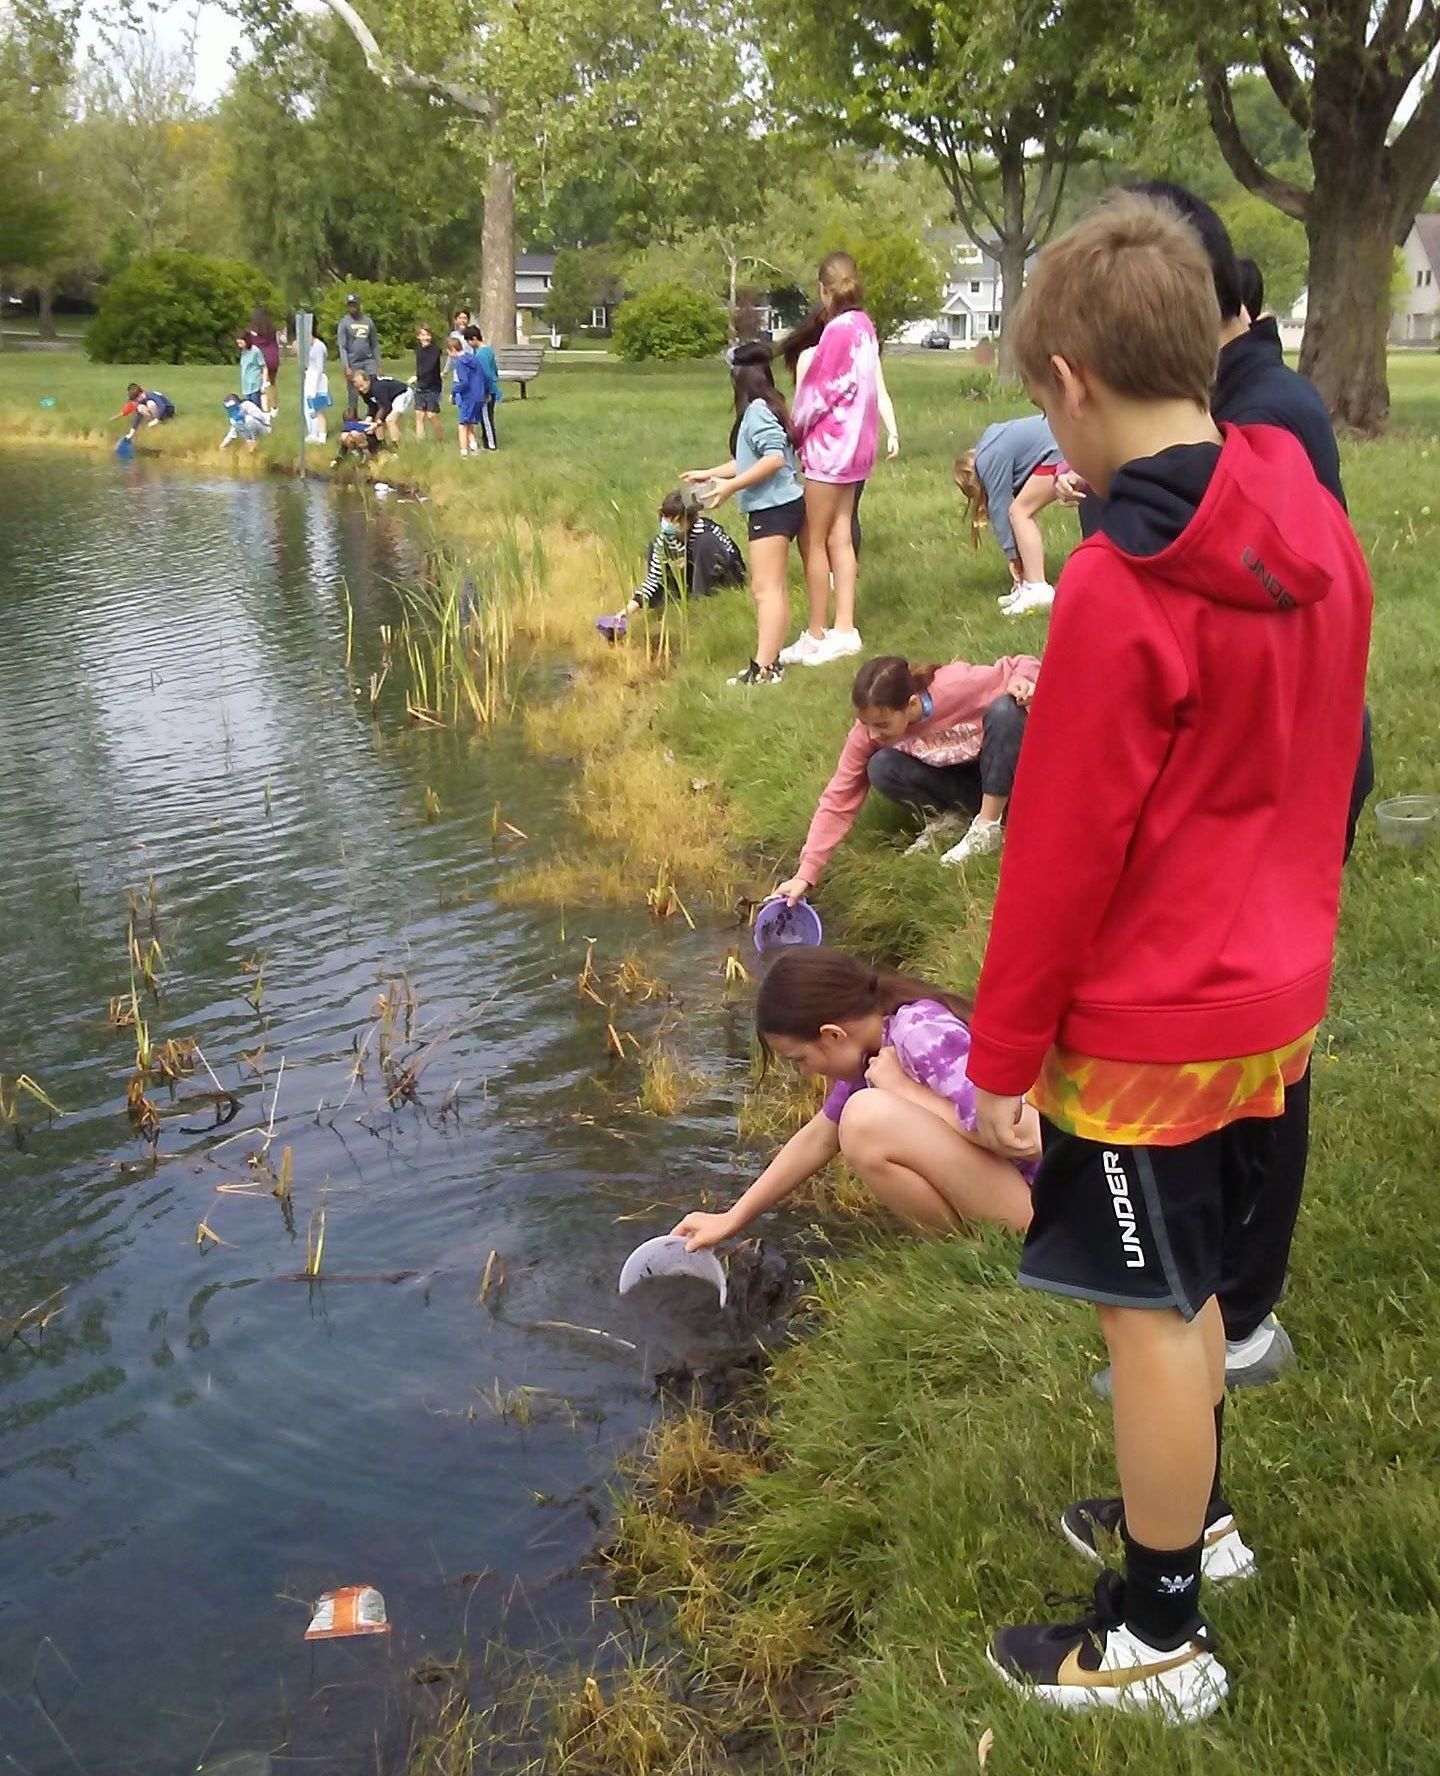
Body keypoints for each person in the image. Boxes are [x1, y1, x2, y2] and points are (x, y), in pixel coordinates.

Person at [964, 193, 1371, 1720]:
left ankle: (1157, 1638)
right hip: (1277, 998)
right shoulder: (1306, 508)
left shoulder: (1121, 591)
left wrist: (1003, 1066)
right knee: (1195, 1278)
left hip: (1148, 1029)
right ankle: (1196, 1524)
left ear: (1067, 380)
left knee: (1146, 1312)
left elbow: (1061, 863)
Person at [671, 947, 1034, 1250]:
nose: (806, 1072)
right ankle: (966, 1251)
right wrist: (731, 1219)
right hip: (1018, 1198)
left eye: (800, 1059)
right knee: (859, 1116)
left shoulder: (920, 1033)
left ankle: (972, 1251)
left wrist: (903, 1091)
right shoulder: (874, 1054)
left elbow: (1025, 1136)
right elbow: (818, 1138)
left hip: (1046, 1205)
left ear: (832, 1034)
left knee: (864, 1119)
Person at [775, 653, 1039, 901]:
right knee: (881, 765)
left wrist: (1022, 681)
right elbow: (839, 796)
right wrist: (805, 874)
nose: (873, 734)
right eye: (866, 725)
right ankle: (955, 821)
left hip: (1007, 775)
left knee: (1005, 711)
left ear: (911, 704)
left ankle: (987, 828)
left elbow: (1021, 662)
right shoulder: (868, 734)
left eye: (882, 725)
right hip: (964, 785)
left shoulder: (958, 684)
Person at [680, 341, 805, 687]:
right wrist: (711, 474)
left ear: (739, 378)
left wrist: (730, 488)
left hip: (772, 508)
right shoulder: (769, 405)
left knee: (766, 590)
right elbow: (752, 459)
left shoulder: (757, 412)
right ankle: (770, 662)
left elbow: (774, 459)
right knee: (772, 589)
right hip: (784, 504)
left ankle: (764, 667)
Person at [779, 253, 879, 666]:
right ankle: (845, 628)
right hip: (857, 449)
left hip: (830, 450)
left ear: (823, 291)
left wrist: (794, 431)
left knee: (812, 538)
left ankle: (817, 632)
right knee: (840, 534)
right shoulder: (865, 326)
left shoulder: (836, 332)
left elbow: (812, 399)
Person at [594, 489, 745, 641]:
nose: (670, 523)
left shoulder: (708, 535)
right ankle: (669, 606)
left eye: (676, 519)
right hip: (691, 577)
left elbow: (728, 561)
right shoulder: (663, 541)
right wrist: (625, 612)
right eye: (666, 517)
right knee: (661, 571)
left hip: (724, 577)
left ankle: (700, 607)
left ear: (689, 518)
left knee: (704, 546)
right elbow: (654, 579)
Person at [954, 416, 1063, 616]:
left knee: (1020, 511)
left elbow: (1000, 507)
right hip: (1061, 437)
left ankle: (1037, 588)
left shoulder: (987, 461)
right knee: (1023, 510)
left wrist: (1012, 556)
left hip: (1060, 448)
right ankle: (1029, 582)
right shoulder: (989, 442)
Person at [337, 293, 381, 419]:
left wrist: (378, 363)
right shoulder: (344, 323)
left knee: (373, 387)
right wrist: (346, 366)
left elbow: (374, 344)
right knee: (353, 393)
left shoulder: (368, 321)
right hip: (353, 362)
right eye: (350, 305)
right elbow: (342, 347)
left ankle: (374, 415)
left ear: (359, 305)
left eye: (354, 305)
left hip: (368, 360)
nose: (352, 308)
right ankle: (353, 418)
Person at [462, 325, 501, 450]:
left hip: (486, 391)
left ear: (474, 338)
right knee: (485, 418)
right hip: (490, 389)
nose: (468, 343)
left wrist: (486, 391)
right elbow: (495, 370)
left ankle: (491, 444)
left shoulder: (481, 355)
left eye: (468, 340)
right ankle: (486, 442)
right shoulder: (488, 350)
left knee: (486, 419)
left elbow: (486, 375)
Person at [351, 369, 414, 442]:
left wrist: (377, 423)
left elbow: (386, 406)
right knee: (376, 421)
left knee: (390, 420)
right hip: (389, 399)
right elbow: (372, 405)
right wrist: (368, 419)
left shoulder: (377, 388)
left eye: (362, 385)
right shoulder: (364, 391)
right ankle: (382, 445)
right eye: (358, 387)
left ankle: (398, 448)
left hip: (402, 394)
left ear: (368, 381)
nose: (361, 389)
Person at [447, 335, 483, 457]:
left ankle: (463, 452)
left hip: (468, 396)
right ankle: (474, 448)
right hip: (478, 394)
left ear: (452, 350)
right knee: (470, 423)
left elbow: (464, 382)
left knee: (462, 425)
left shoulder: (460, 363)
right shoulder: (472, 358)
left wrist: (453, 391)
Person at [411, 324, 444, 442]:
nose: (425, 338)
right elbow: (419, 366)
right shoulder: (418, 350)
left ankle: (440, 438)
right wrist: (418, 379)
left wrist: (416, 376)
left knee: (431, 415)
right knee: (419, 415)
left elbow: (429, 367)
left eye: (428, 335)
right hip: (420, 386)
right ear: (418, 337)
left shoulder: (435, 350)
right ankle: (420, 441)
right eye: (423, 335)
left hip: (433, 387)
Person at [248, 306, 281, 411]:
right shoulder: (272, 328)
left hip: (262, 358)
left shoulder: (253, 330)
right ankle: (274, 407)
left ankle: (265, 409)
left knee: (263, 385)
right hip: (273, 357)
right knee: (273, 383)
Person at [304, 328, 331, 445]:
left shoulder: (319, 346)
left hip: (318, 380)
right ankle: (313, 433)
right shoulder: (312, 346)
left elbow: (319, 367)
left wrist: (315, 386)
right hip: (311, 377)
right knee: (310, 408)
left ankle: (322, 435)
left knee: (318, 408)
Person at [237, 333, 266, 410]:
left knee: (256, 407)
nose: (239, 345)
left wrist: (264, 382)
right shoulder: (243, 352)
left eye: (241, 343)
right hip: (246, 385)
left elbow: (264, 367)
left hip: (254, 383)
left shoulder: (255, 351)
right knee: (249, 408)